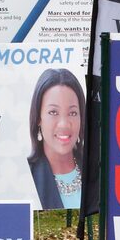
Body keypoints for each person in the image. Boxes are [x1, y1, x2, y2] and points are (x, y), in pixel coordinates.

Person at [27, 68, 85, 209]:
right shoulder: (25, 174)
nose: (64, 124)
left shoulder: (100, 170)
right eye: (53, 112)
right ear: (38, 117)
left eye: (72, 112)